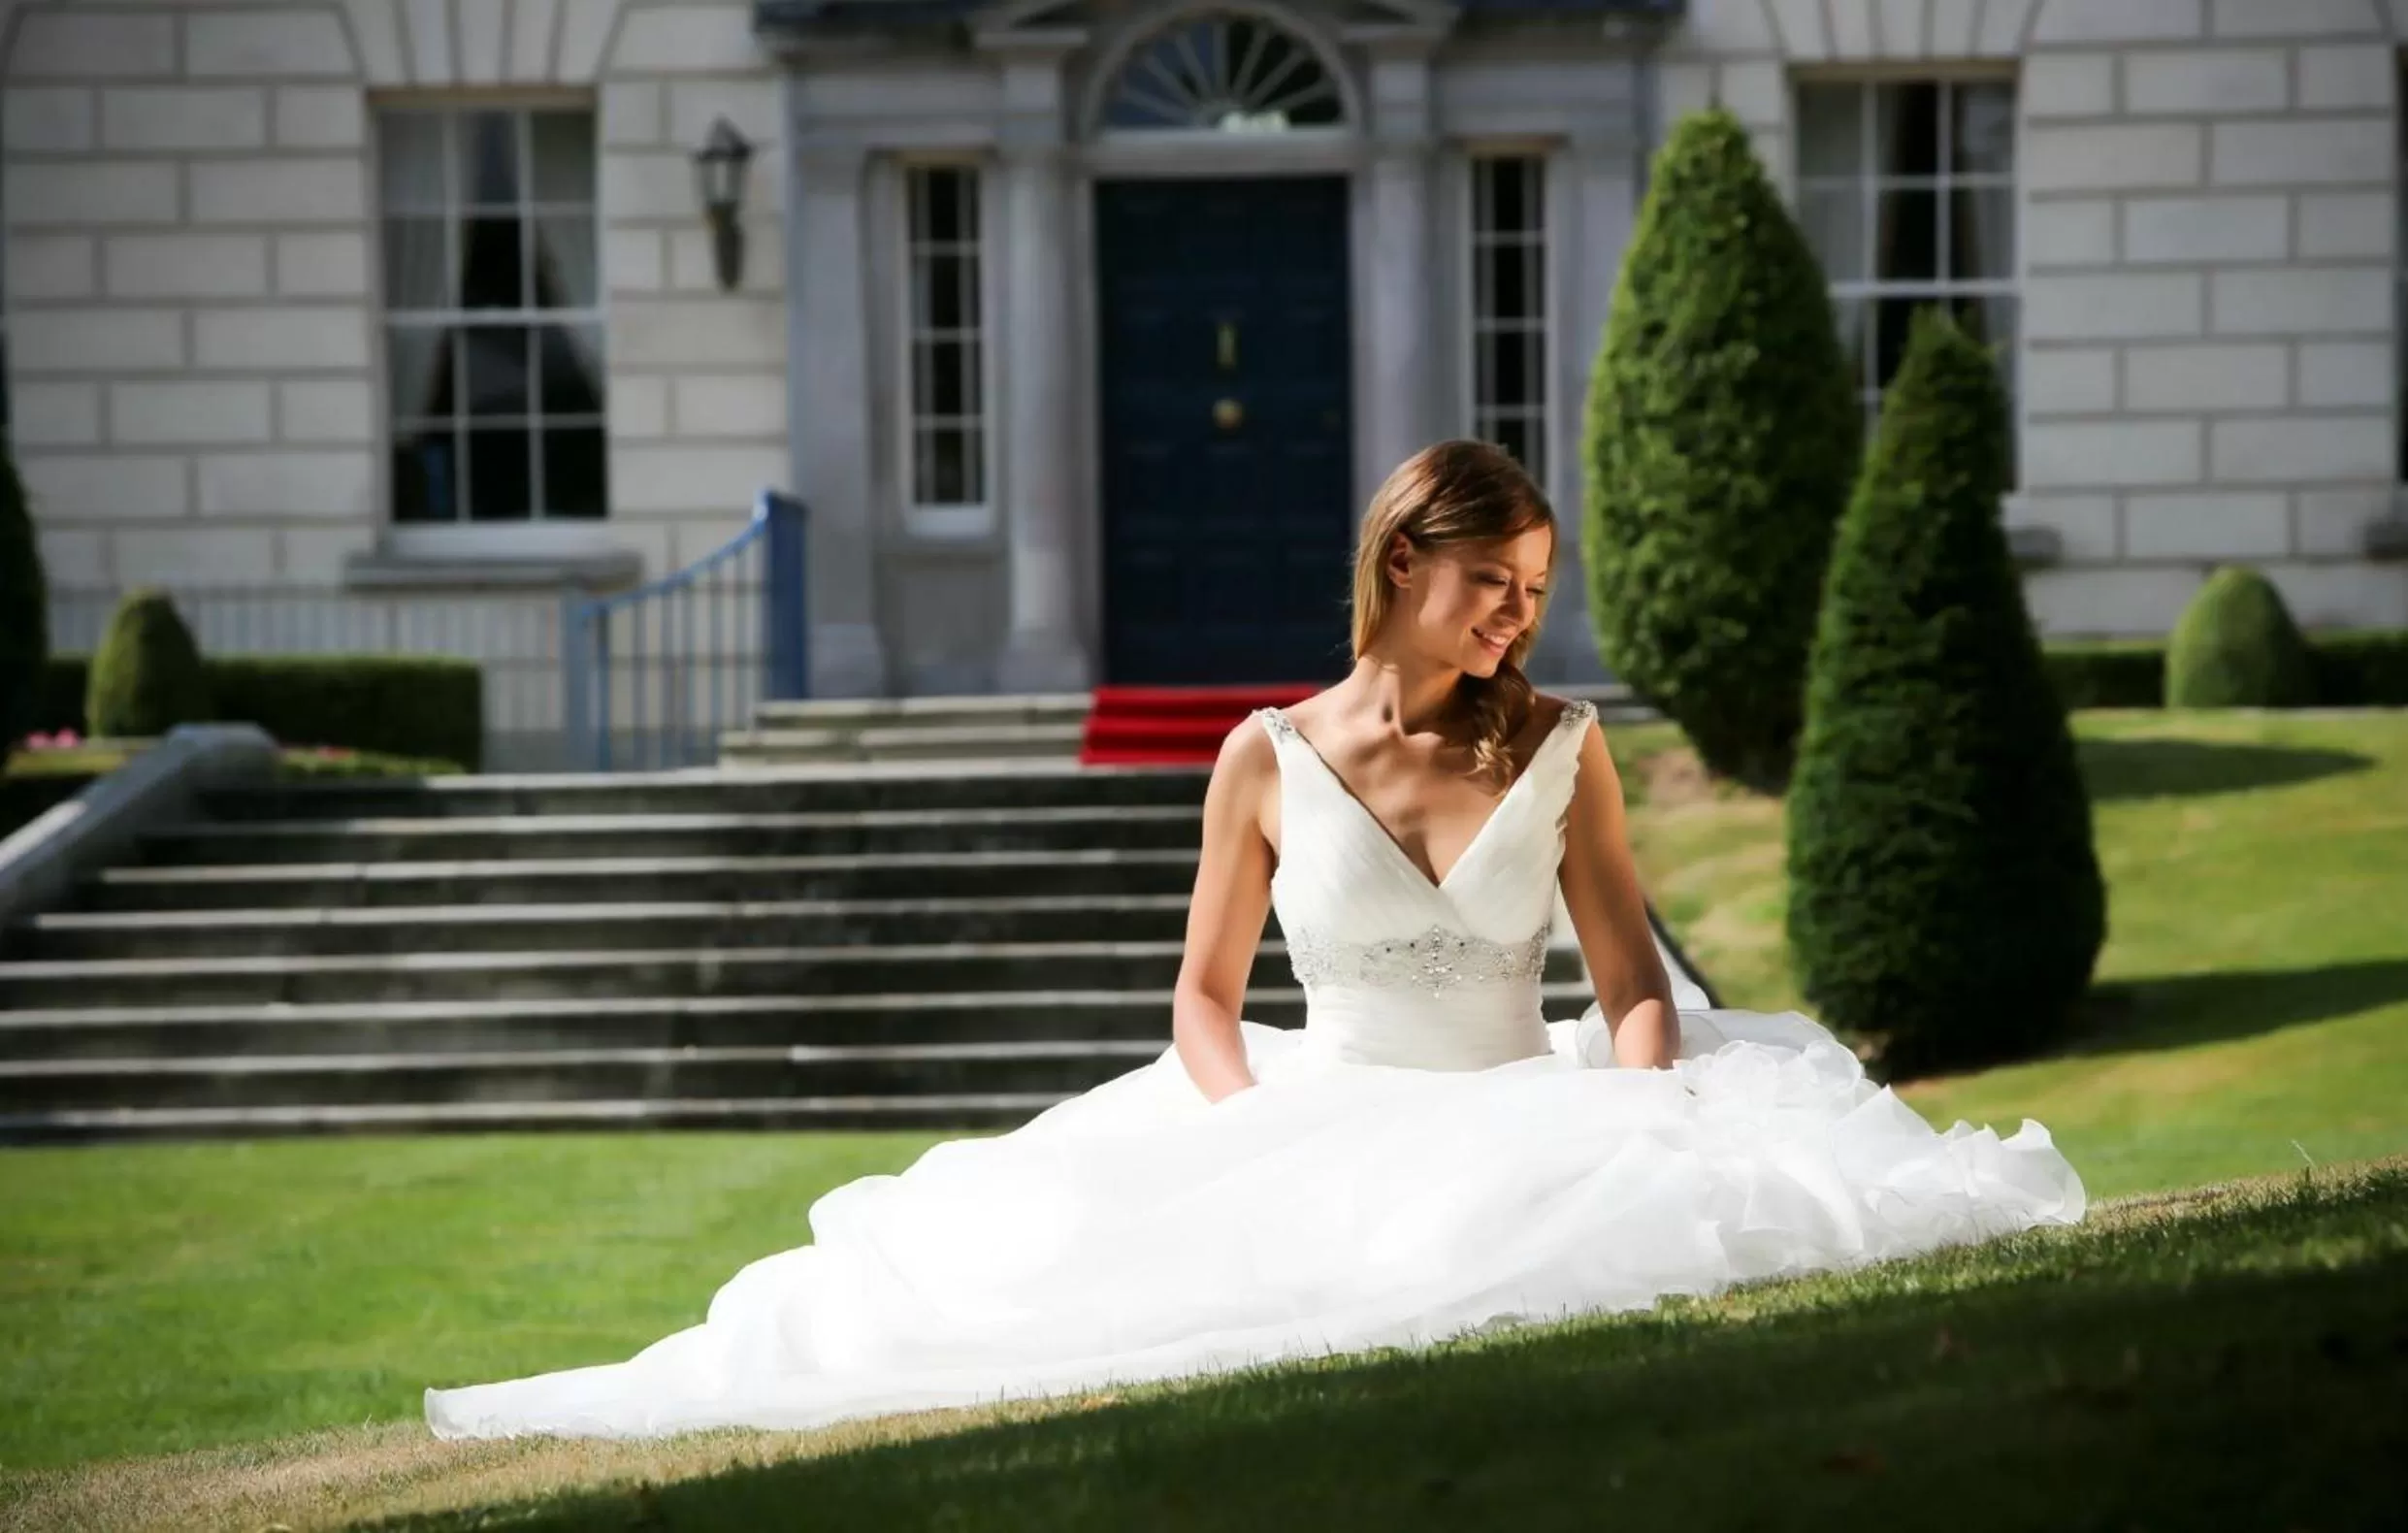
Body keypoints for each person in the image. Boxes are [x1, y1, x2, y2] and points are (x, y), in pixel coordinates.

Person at [424, 440, 2085, 1441]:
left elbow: (1631, 979)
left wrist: (1639, 1101)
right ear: (1400, 562)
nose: (1516, 613)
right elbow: (1203, 1001)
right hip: (1318, 1099)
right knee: (1014, 1301)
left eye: (1532, 586)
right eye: (1490, 580)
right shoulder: (1262, 755)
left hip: (1533, 1095)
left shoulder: (1560, 748)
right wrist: (1260, 1131)